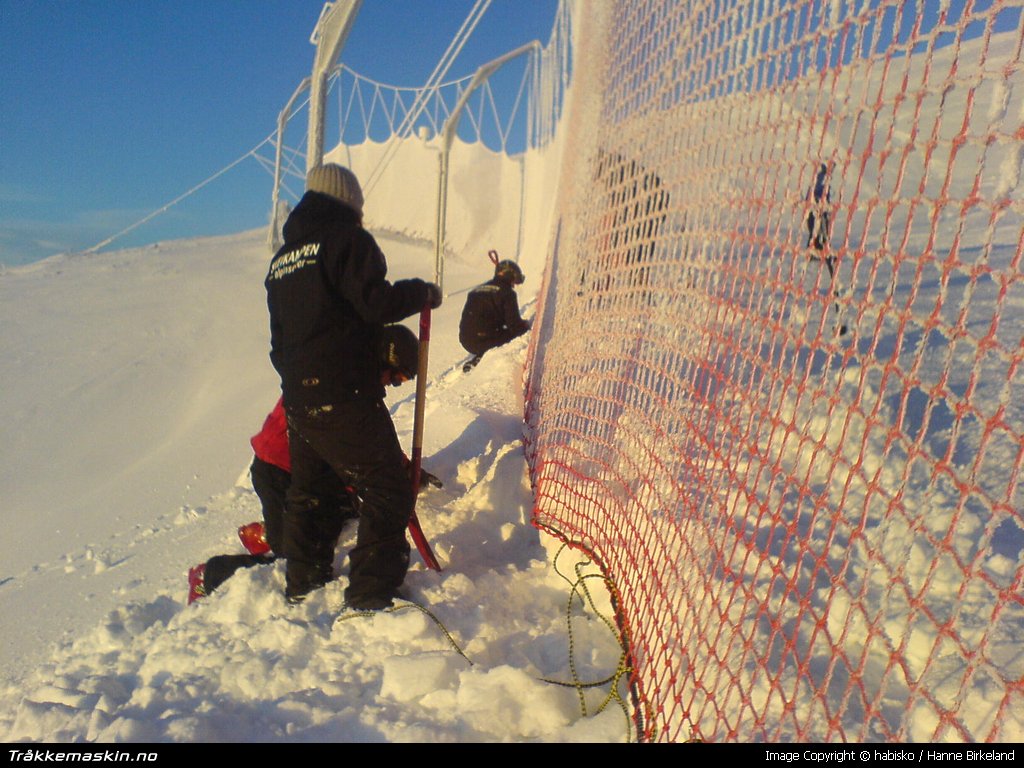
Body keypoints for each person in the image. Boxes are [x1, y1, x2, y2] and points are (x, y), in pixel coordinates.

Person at [266, 163, 442, 609]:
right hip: (344, 390)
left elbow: (277, 341)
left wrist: (297, 381)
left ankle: (303, 583)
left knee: (312, 491)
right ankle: (370, 593)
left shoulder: (282, 261)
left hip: (299, 399)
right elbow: (375, 303)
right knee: (387, 488)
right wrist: (421, 292)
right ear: (350, 202)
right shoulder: (347, 240)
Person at [187, 325, 441, 604]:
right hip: (280, 473)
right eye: (395, 378)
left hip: (311, 474)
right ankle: (209, 575)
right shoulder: (339, 384)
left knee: (347, 513)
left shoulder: (348, 373)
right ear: (383, 360)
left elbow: (371, 440)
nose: (390, 386)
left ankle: (271, 531)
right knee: (297, 564)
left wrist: (403, 469)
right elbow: (350, 444)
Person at [458, 258, 531, 372]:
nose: (513, 285)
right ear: (510, 276)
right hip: (484, 340)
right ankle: (480, 359)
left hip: (465, 340)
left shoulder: (476, 290)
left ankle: (481, 353)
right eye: (514, 281)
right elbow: (514, 325)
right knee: (511, 335)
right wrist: (527, 327)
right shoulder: (507, 293)